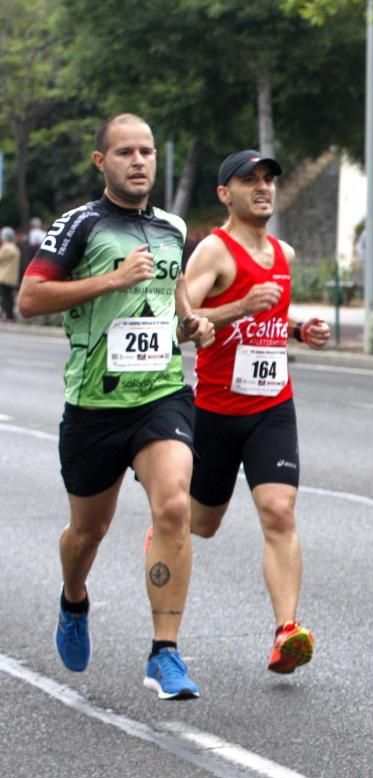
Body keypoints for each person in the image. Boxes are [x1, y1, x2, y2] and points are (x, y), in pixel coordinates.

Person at [17, 113, 214, 699]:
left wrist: (192, 323)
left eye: (147, 151)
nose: (139, 161)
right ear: (101, 161)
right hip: (94, 405)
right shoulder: (79, 225)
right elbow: (29, 297)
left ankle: (165, 652)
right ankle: (73, 600)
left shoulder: (173, 228)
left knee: (174, 504)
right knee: (87, 531)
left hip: (160, 393)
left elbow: (174, 305)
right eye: (125, 151)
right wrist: (111, 280)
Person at [180, 149, 331, 674]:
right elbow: (186, 322)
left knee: (279, 511)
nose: (263, 187)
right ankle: (165, 530)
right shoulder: (212, 253)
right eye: (250, 181)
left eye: (268, 179)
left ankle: (287, 632)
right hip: (216, 410)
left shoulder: (283, 253)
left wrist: (298, 330)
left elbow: (271, 317)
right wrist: (239, 306)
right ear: (226, 194)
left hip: (272, 408)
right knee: (199, 525)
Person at [0, 227, 18, 320]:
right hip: (12, 277)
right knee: (9, 297)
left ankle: (6, 314)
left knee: (5, 297)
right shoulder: (14, 247)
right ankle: (9, 314)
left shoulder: (6, 248)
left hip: (5, 276)